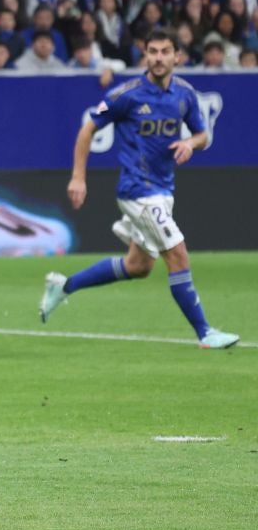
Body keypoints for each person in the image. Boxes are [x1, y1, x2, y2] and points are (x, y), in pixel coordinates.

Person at [40, 28, 237, 348]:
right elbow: (88, 128)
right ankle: (205, 332)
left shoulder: (185, 94)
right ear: (145, 55)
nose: (158, 58)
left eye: (164, 52)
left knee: (139, 266)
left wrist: (190, 142)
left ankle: (64, 286)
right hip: (137, 191)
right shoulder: (125, 95)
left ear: (178, 56)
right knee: (177, 253)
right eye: (152, 52)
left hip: (163, 190)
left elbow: (202, 135)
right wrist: (78, 177)